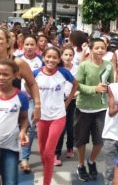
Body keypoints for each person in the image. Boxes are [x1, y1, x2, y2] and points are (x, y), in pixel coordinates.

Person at [33, 47, 78, 185]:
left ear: (58, 60)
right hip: (41, 118)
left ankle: (46, 181)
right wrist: (35, 103)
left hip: (58, 117)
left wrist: (68, 101)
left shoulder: (64, 72)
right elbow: (28, 86)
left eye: (54, 58)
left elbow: (76, 85)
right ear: (43, 57)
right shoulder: (35, 73)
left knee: (48, 152)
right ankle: (47, 170)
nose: (51, 60)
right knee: (41, 151)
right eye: (48, 57)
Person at [74, 38, 114, 181]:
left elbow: (112, 85)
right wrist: (94, 89)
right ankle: (80, 165)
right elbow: (77, 85)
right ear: (90, 49)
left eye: (102, 48)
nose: (99, 50)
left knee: (99, 141)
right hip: (83, 108)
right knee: (81, 140)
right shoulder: (84, 65)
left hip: (101, 109)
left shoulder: (109, 66)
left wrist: (111, 103)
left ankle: (91, 161)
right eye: (96, 48)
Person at [19, 35, 43, 172]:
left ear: (36, 46)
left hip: (31, 100)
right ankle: (14, 154)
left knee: (30, 128)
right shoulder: (16, 59)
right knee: (15, 129)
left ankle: (24, 159)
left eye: (32, 44)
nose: (29, 47)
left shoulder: (40, 61)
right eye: (27, 44)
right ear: (22, 45)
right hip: (15, 99)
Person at [55, 46, 78, 166]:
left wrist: (75, 93)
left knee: (70, 126)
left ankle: (70, 148)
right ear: (61, 56)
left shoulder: (77, 69)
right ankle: (56, 154)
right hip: (58, 101)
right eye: (66, 54)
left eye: (71, 55)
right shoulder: (57, 69)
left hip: (73, 100)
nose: (68, 57)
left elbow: (79, 84)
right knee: (60, 127)